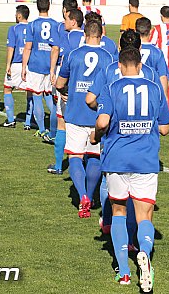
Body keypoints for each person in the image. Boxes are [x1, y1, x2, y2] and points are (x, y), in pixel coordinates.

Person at [90, 47, 169, 291]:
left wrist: (95, 136)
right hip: (145, 160)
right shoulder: (155, 87)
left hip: (117, 160)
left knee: (118, 212)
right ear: (139, 64)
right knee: (144, 214)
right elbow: (165, 128)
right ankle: (144, 253)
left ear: (122, 65)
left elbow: (103, 121)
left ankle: (124, 272)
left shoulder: (113, 87)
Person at [55, 20, 114, 218]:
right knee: (94, 156)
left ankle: (83, 196)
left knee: (75, 156)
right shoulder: (109, 57)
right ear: (101, 35)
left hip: (75, 112)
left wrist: (63, 91)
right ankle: (90, 194)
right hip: (98, 114)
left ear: (85, 34)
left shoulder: (74, 54)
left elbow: (60, 82)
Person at [47, 5, 85, 176]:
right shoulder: (87, 37)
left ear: (73, 21)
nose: (64, 22)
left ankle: (58, 165)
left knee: (62, 124)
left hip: (69, 86)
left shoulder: (68, 38)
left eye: (67, 19)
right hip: (86, 88)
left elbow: (65, 59)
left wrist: (57, 79)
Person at [22, 0, 59, 141]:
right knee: (49, 97)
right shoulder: (56, 24)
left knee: (37, 96)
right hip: (50, 64)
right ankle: (56, 128)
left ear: (37, 7)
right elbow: (56, 47)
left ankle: (42, 130)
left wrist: (24, 67)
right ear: (49, 6)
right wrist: (53, 69)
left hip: (35, 64)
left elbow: (28, 47)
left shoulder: (32, 25)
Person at [1, 5, 33, 129]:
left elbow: (11, 48)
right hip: (30, 65)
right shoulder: (33, 28)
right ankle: (28, 123)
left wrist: (8, 65)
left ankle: (10, 120)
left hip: (17, 64)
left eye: (16, 14)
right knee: (30, 92)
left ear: (19, 15)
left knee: (8, 88)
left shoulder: (13, 29)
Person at [135, 17, 169, 110]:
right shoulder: (157, 52)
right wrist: (165, 98)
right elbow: (162, 76)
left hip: (131, 92)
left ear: (135, 31)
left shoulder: (130, 50)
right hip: (150, 94)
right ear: (150, 31)